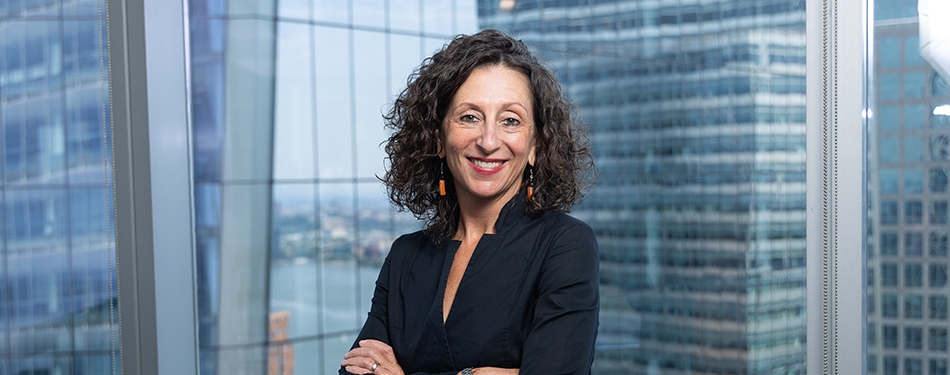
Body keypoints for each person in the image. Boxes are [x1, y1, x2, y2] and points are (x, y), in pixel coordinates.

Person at [340, 29, 598, 375]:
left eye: (510, 120)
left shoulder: (565, 246)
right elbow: (353, 372)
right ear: (438, 138)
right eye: (469, 117)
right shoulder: (405, 257)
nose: (489, 141)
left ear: (537, 145)